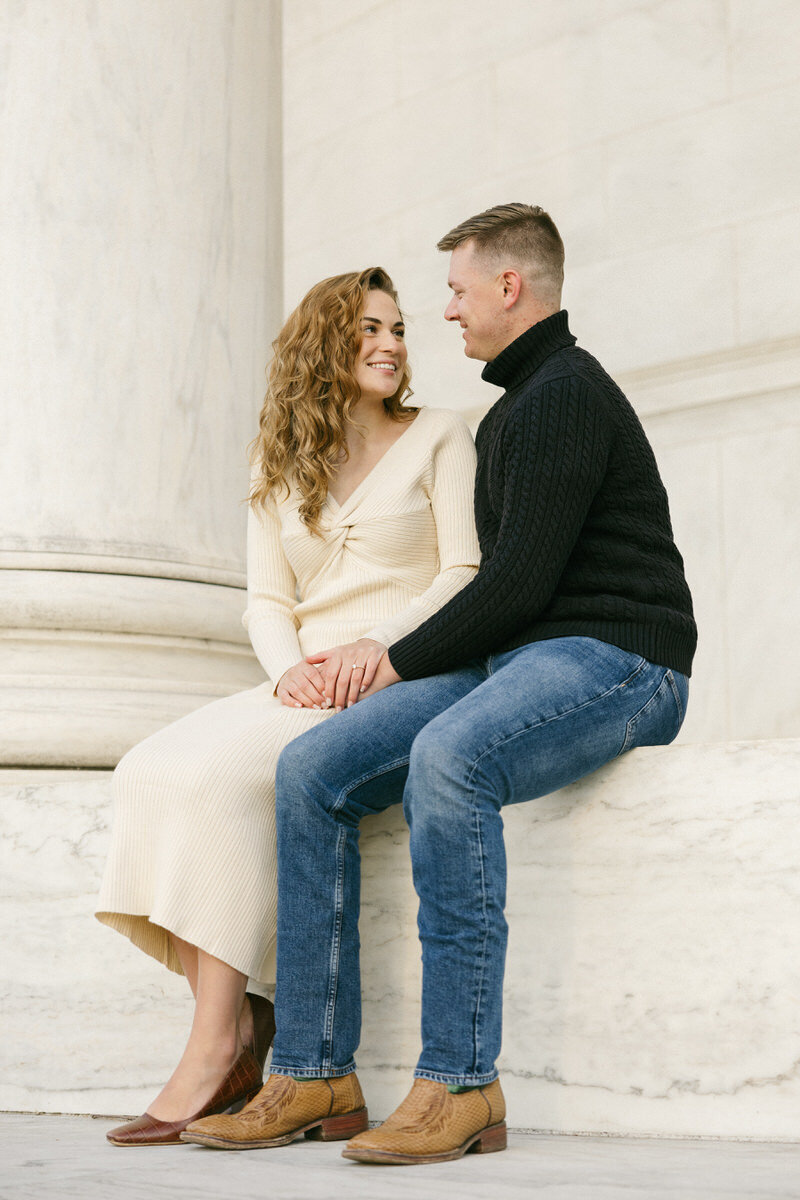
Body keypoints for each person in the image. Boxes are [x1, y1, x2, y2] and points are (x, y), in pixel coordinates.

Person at [181, 204, 698, 1165]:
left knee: (451, 756)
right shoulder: (512, 407)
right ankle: (312, 1071)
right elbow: (501, 603)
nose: (446, 314)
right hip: (526, 658)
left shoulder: (564, 395)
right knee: (313, 768)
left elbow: (516, 585)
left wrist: (387, 658)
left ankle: (462, 1084)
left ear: (511, 287)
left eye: (457, 292)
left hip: (622, 660)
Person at [96, 267, 480, 1146]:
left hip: (393, 672)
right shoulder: (280, 462)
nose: (390, 344)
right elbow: (266, 602)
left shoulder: (441, 438)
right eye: (367, 330)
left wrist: (376, 652)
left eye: (398, 329)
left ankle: (216, 1046)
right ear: (323, 346)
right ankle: (236, 1020)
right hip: (300, 681)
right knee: (148, 769)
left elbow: (463, 576)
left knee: (224, 783)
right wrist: (287, 672)